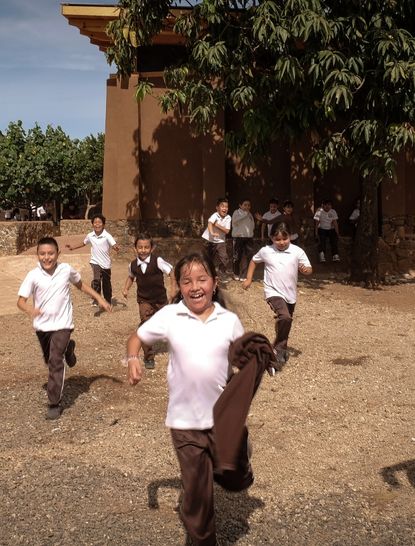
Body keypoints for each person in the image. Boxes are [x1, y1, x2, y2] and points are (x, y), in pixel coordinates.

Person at [126, 252, 260, 545]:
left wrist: (258, 362)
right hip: (184, 423)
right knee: (198, 496)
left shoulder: (229, 321)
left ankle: (241, 460)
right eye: (186, 281)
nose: (195, 286)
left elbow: (243, 361)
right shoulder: (170, 316)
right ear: (178, 287)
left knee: (234, 479)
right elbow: (137, 337)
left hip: (222, 422)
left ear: (214, 283)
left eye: (202, 279)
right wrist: (133, 357)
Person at [17, 237, 112, 420]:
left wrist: (99, 299)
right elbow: (21, 301)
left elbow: (81, 285)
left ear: (57, 254)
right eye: (42, 254)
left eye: (50, 253)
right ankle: (69, 347)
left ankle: (54, 403)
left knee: (55, 361)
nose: (47, 257)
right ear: (37, 255)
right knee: (50, 359)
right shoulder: (33, 275)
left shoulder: (65, 270)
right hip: (42, 327)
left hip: (63, 324)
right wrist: (30, 310)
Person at [242, 222, 312, 363]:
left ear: (290, 237)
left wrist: (305, 270)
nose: (281, 242)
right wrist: (249, 278)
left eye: (284, 239)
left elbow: (309, 268)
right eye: (277, 239)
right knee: (285, 317)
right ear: (271, 238)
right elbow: (254, 261)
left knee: (286, 321)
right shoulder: (266, 251)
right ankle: (278, 350)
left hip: (290, 294)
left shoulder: (297, 251)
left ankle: (281, 347)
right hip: (272, 291)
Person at [122, 233, 174, 370]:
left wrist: (173, 288)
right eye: (140, 247)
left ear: (152, 248)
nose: (143, 250)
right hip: (144, 300)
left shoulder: (158, 261)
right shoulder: (133, 265)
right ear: (135, 248)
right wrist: (125, 289)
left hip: (160, 300)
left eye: (146, 247)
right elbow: (131, 277)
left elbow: (171, 272)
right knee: (146, 325)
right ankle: (148, 356)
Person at [66, 214, 119, 305]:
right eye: (95, 222)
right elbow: (83, 243)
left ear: (103, 224)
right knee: (97, 280)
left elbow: (114, 244)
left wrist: (116, 247)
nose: (97, 224)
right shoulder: (90, 235)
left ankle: (107, 300)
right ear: (92, 224)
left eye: (99, 222)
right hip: (95, 262)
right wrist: (72, 247)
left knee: (106, 283)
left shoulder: (107, 235)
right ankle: (96, 298)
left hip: (106, 263)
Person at [201, 197, 232, 283]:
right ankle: (206, 275)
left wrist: (217, 225)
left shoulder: (228, 217)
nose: (225, 208)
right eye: (222, 206)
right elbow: (210, 224)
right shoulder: (214, 215)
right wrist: (212, 233)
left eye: (226, 207)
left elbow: (227, 231)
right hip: (209, 240)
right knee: (207, 259)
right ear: (217, 208)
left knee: (225, 258)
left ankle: (221, 272)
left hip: (220, 241)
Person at [231, 198, 255, 281]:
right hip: (238, 238)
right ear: (240, 205)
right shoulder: (236, 212)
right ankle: (236, 273)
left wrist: (251, 234)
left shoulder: (250, 214)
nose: (247, 207)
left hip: (248, 238)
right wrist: (245, 215)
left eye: (248, 205)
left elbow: (252, 226)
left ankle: (244, 275)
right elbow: (234, 221)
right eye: (245, 205)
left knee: (249, 256)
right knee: (237, 256)